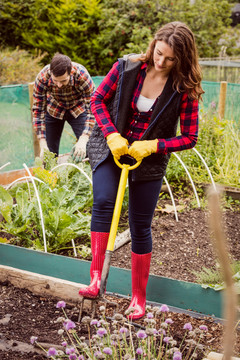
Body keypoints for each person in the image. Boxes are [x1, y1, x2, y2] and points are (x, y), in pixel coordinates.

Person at [79, 21, 204, 320]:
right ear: (154, 44)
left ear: (181, 60)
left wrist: (153, 146)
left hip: (147, 158)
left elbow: (190, 137)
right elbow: (97, 100)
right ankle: (96, 280)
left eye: (170, 58)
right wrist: (111, 134)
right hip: (112, 146)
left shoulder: (182, 90)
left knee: (139, 224)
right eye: (159, 53)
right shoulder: (126, 68)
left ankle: (138, 298)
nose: (161, 62)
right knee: (104, 201)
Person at [32, 53, 95, 161]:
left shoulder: (82, 76)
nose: (59, 85)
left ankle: (88, 174)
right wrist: (42, 143)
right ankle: (50, 176)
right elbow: (38, 111)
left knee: (90, 147)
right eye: (55, 81)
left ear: (70, 73)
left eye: (63, 81)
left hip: (77, 108)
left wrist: (83, 139)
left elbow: (93, 108)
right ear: (50, 72)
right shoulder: (42, 78)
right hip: (54, 108)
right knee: (48, 155)